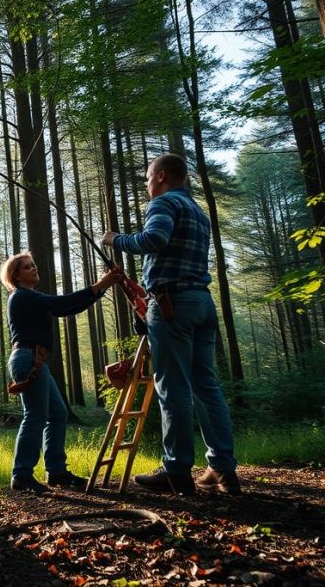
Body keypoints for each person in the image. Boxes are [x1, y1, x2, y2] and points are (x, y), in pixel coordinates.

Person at [103, 153, 241, 495]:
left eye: (149, 178)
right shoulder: (198, 212)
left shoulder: (163, 203)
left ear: (161, 176)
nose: (148, 185)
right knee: (206, 386)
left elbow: (155, 240)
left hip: (171, 306)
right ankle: (223, 470)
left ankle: (176, 470)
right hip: (201, 303)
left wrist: (115, 240)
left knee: (173, 387)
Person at [0, 251, 121, 493]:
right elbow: (62, 303)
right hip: (27, 359)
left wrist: (101, 289)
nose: (34, 268)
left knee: (57, 414)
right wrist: (100, 285)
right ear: (16, 276)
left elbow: (66, 309)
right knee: (35, 415)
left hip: (34, 360)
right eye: (27, 267)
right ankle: (22, 475)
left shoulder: (31, 296)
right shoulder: (21, 297)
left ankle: (56, 472)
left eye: (33, 264)